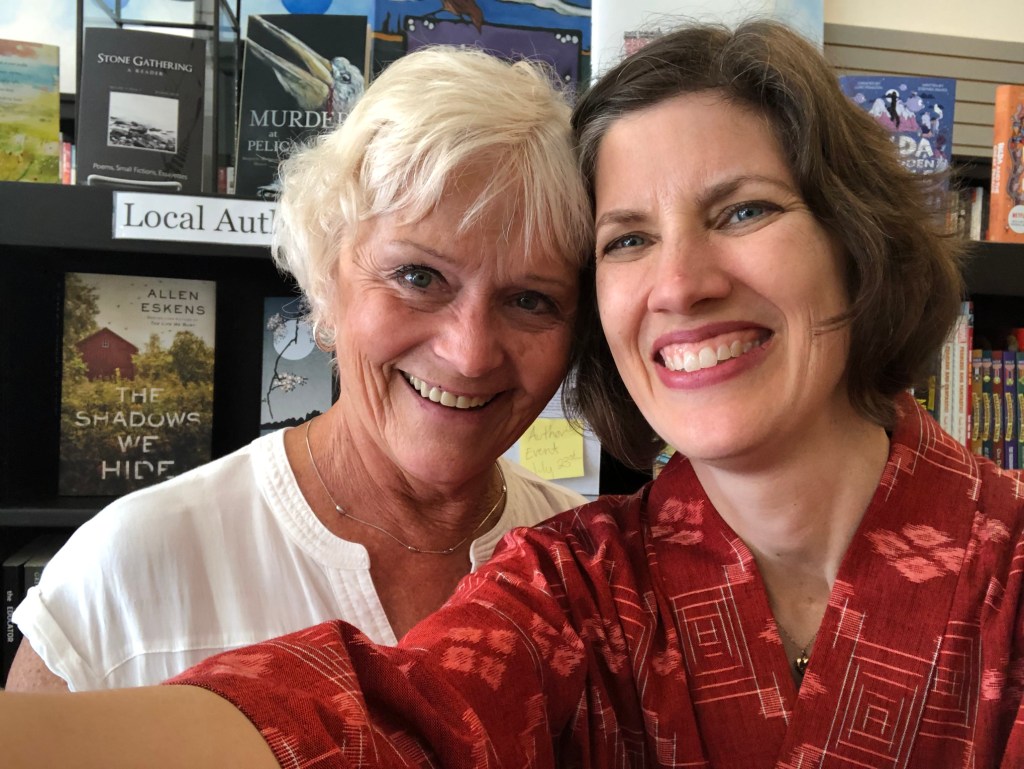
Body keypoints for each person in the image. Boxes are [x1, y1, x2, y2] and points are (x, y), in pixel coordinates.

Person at [4, 18, 1024, 769]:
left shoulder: (1004, 569)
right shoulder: (576, 585)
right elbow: (384, 717)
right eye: (629, 238)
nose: (679, 283)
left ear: (856, 242)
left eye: (744, 210)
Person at [4, 44, 592, 692]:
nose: (470, 353)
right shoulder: (128, 575)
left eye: (530, 300)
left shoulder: (595, 572)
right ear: (327, 279)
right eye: (418, 276)